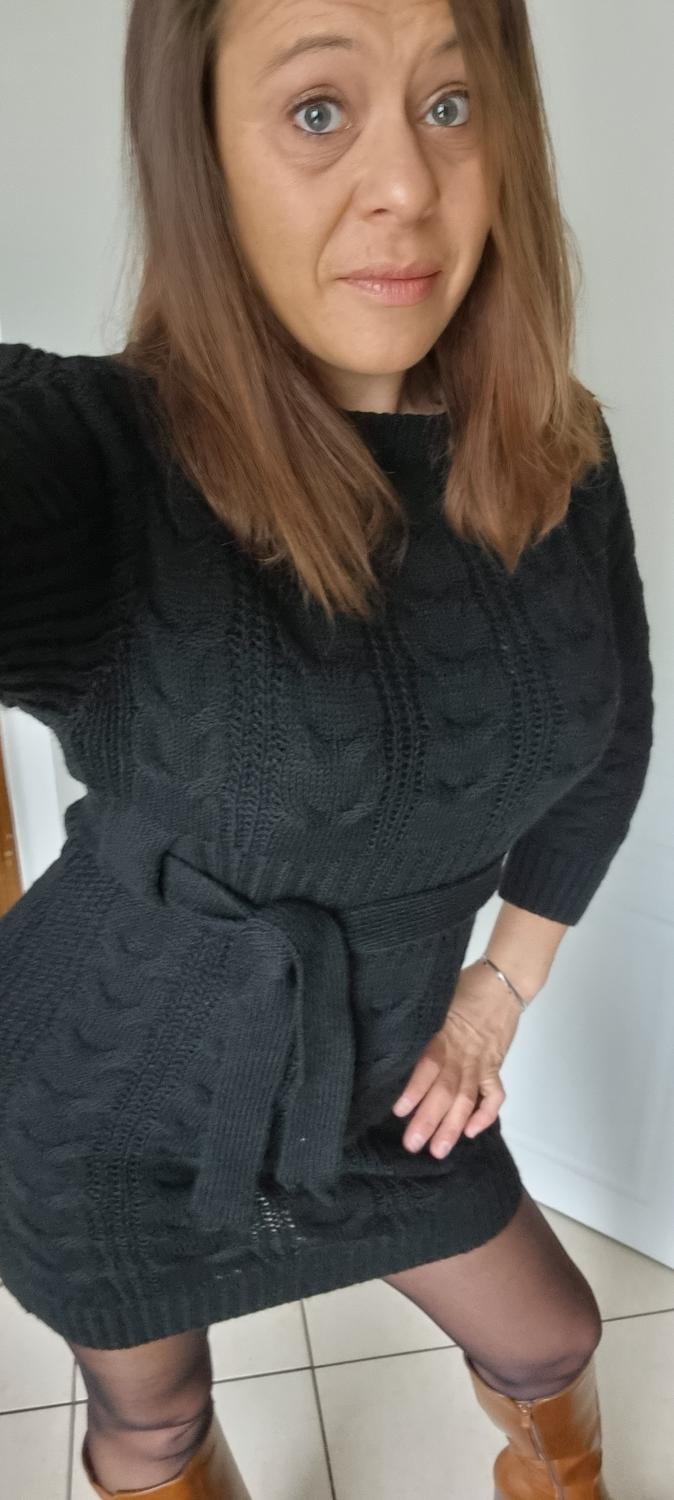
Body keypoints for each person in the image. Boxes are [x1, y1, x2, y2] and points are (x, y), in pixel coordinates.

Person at [0, 1, 654, 1496]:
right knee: (154, 1427)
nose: (406, 185)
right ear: (200, 153)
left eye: (449, 106)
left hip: (383, 1081)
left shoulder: (559, 447)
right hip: (101, 1098)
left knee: (551, 1340)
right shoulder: (106, 459)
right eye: (315, 111)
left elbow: (608, 743)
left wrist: (499, 988)